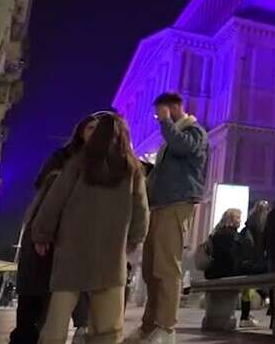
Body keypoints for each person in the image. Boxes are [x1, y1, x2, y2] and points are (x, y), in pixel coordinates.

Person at [33, 112, 149, 344]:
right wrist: (135, 238)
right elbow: (141, 209)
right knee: (108, 325)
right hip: (111, 253)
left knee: (57, 318)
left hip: (71, 250)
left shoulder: (78, 163)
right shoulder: (131, 169)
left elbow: (55, 200)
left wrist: (42, 233)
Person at [11, 114, 100, 344]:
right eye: (90, 127)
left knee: (70, 289)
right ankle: (26, 335)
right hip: (47, 228)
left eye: (99, 129)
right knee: (34, 292)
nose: (94, 132)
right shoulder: (62, 158)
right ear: (80, 131)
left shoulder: (104, 162)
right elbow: (43, 187)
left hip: (77, 236)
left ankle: (72, 329)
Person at [131, 93, 208, 343]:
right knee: (152, 270)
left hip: (177, 203)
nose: (158, 118)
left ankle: (166, 328)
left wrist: (165, 122)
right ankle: (149, 326)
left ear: (174, 107)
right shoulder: (172, 135)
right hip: (159, 205)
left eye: (160, 112)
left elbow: (183, 146)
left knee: (166, 268)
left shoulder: (195, 131)